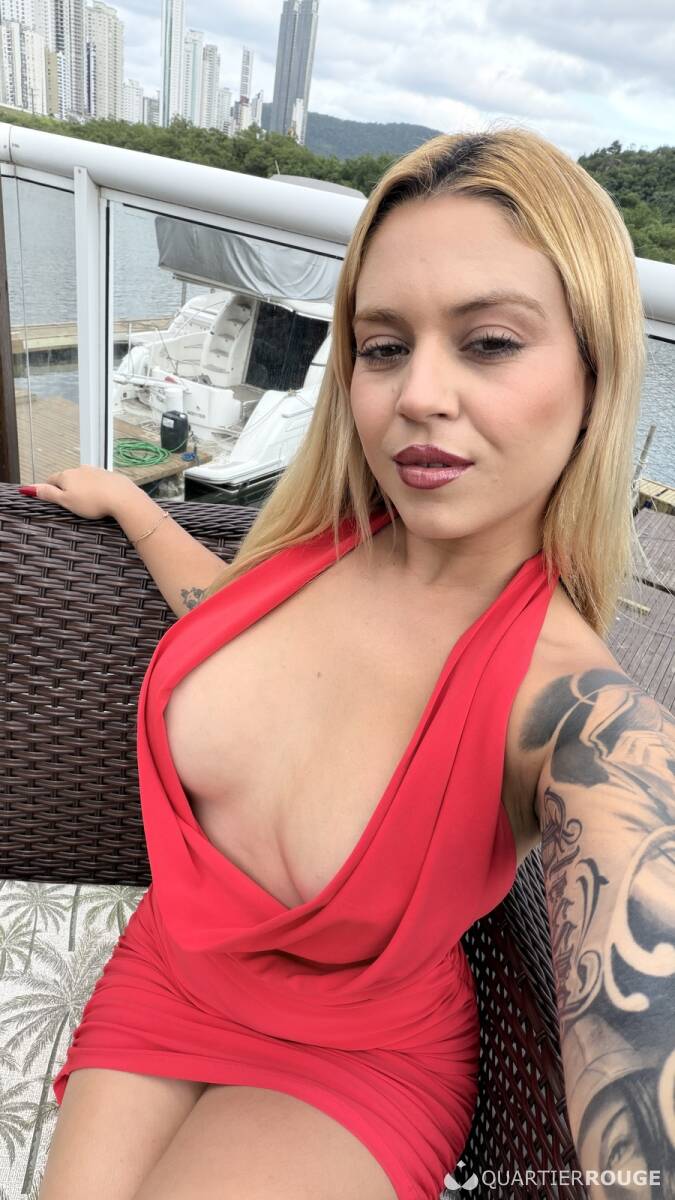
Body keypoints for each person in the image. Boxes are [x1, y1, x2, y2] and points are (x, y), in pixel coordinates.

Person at [27, 123, 672, 1200]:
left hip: (355, 1057)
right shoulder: (322, 551)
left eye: (488, 342)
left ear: (595, 373)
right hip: (170, 968)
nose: (418, 394)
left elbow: (643, 1063)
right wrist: (139, 511)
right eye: (383, 347)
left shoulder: (575, 715)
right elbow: (229, 618)